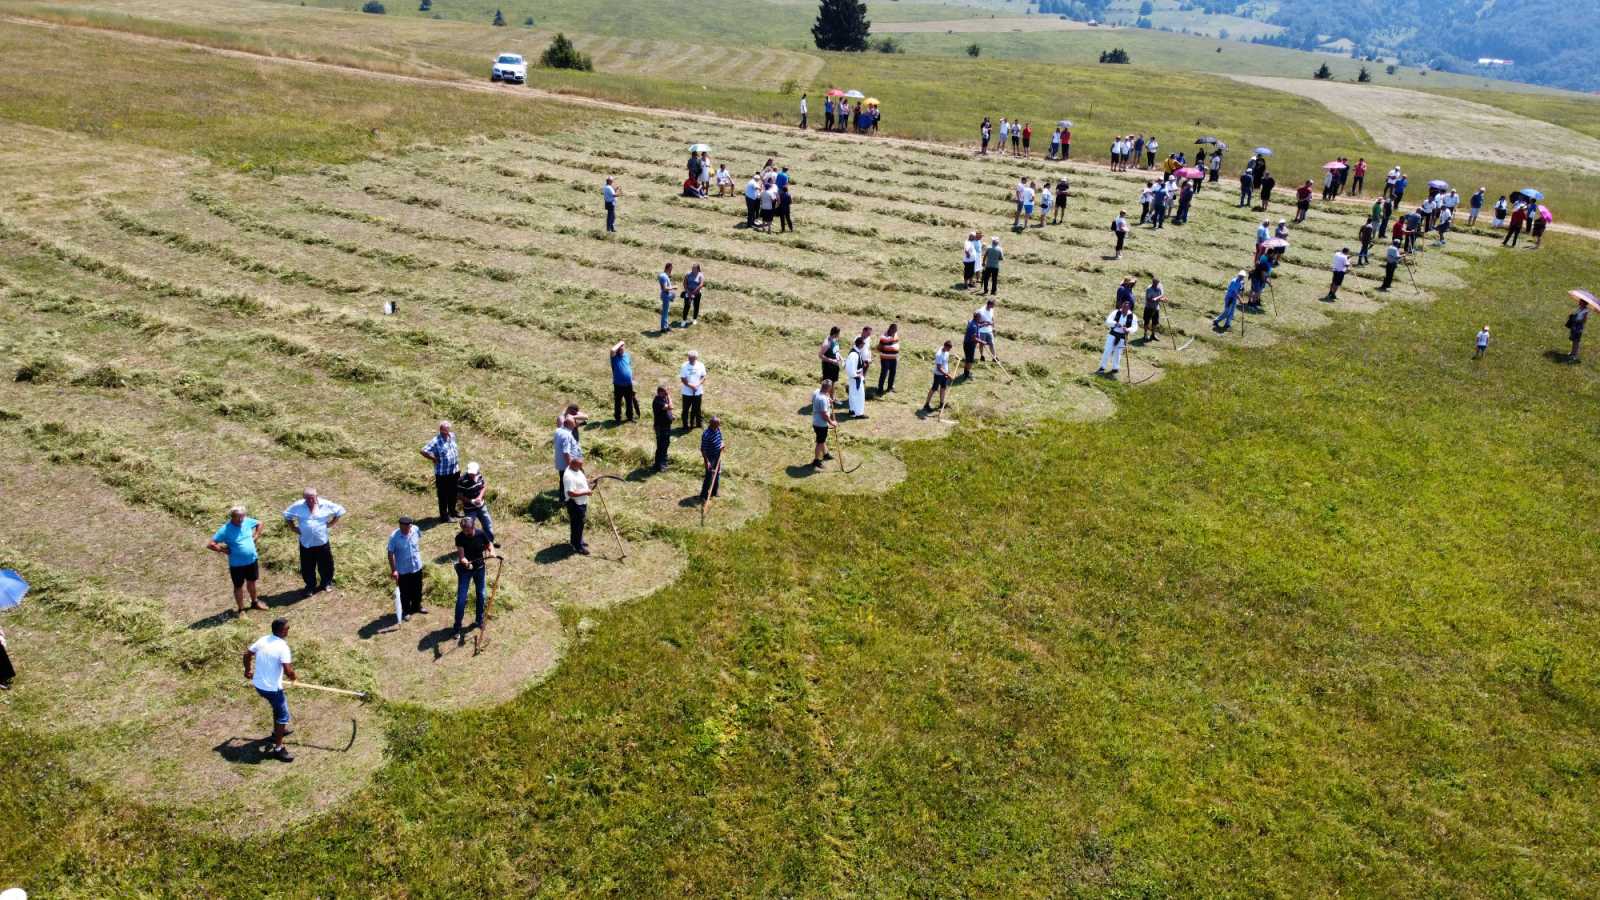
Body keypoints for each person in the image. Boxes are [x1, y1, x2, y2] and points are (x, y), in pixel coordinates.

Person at [245, 618, 297, 762]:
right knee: (283, 716)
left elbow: (247, 654)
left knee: (277, 709)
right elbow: (288, 670)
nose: (289, 630)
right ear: (282, 631)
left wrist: (247, 670)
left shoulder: (263, 640)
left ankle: (277, 731)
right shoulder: (283, 647)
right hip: (272, 689)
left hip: (259, 685)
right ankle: (278, 749)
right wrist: (294, 678)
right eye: (287, 628)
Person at [283, 488, 343, 598]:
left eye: (312, 498)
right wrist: (293, 528)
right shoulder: (298, 506)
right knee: (307, 566)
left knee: (326, 564)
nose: (311, 500)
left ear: (316, 496)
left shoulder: (325, 504)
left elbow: (340, 511)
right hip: (306, 543)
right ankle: (310, 586)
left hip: (322, 542)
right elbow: (287, 515)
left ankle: (326, 583)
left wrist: (331, 523)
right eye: (308, 499)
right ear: (304, 498)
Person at [208, 505, 264, 617]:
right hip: (237, 565)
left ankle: (254, 602)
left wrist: (256, 535)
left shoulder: (247, 521)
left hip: (252, 560)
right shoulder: (225, 530)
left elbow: (260, 523)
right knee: (238, 586)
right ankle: (241, 610)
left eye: (242, 516)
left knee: (252, 582)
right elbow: (210, 544)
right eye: (238, 517)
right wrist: (224, 550)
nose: (241, 519)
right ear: (232, 517)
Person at [450, 515, 494, 633]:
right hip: (465, 571)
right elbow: (461, 556)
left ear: (473, 527)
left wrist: (491, 551)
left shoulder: (481, 534)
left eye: (468, 530)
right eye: (464, 530)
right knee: (461, 599)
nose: (466, 532)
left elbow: (489, 544)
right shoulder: (460, 538)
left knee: (481, 594)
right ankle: (457, 627)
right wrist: (464, 561)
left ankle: (479, 620)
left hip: (480, 568)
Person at [385, 515, 426, 618]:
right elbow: (390, 554)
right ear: (400, 526)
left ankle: (417, 606)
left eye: (409, 527)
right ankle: (406, 611)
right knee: (405, 591)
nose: (407, 529)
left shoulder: (415, 529)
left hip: (416, 566)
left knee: (418, 588)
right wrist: (394, 570)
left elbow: (418, 539)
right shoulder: (394, 537)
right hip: (403, 569)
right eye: (405, 528)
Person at [419, 420, 459, 521]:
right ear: (440, 430)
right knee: (443, 495)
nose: (446, 432)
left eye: (447, 430)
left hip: (454, 471)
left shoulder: (452, 436)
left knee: (453, 492)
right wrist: (433, 458)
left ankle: (453, 511)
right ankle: (444, 516)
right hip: (442, 474)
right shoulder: (436, 440)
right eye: (444, 430)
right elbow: (423, 451)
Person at [455, 461, 495, 546]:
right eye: (470, 473)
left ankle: (489, 543)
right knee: (469, 527)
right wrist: (472, 501)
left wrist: (480, 497)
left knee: (488, 524)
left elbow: (483, 487)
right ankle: (471, 545)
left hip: (481, 506)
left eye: (473, 473)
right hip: (470, 509)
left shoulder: (479, 475)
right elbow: (459, 496)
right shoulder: (462, 480)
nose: (472, 475)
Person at [1097, 297, 1137, 376]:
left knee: (1118, 353)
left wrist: (1128, 330)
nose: (1124, 308)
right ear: (1122, 305)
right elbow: (1108, 321)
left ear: (1129, 307)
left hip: (1122, 336)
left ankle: (1115, 368)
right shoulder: (1116, 312)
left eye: (1127, 307)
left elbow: (1135, 327)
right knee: (1107, 350)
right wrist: (1115, 324)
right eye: (1124, 306)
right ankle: (1102, 367)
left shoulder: (1133, 316)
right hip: (1113, 334)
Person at [561, 457, 592, 555]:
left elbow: (581, 481)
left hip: (581, 503)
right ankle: (578, 546)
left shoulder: (577, 470)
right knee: (577, 525)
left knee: (579, 524)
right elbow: (571, 493)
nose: (581, 467)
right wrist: (586, 492)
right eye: (580, 465)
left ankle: (577, 541)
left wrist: (589, 483)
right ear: (573, 464)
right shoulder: (569, 476)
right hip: (575, 504)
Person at [553, 412, 582, 500]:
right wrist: (571, 467)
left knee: (563, 480)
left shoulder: (558, 430)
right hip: (567, 464)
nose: (575, 426)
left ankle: (563, 497)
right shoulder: (567, 435)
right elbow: (566, 452)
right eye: (573, 424)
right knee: (568, 482)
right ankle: (568, 499)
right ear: (568, 424)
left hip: (560, 463)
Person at [610, 341, 638, 422]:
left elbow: (629, 367)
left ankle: (630, 417)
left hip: (628, 384)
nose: (621, 350)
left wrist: (632, 379)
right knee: (618, 402)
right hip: (618, 384)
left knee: (629, 401)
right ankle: (618, 418)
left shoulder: (627, 356)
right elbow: (612, 350)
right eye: (620, 349)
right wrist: (621, 342)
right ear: (617, 350)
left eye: (622, 348)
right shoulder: (614, 358)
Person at [922, 340, 954, 413]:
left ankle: (941, 404)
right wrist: (948, 375)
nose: (949, 350)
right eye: (948, 348)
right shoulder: (939, 354)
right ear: (945, 346)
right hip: (938, 375)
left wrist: (947, 372)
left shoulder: (946, 352)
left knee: (943, 388)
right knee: (934, 388)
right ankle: (926, 405)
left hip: (944, 374)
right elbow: (939, 368)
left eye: (950, 349)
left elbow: (945, 363)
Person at [699, 416, 724, 503]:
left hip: (718, 455)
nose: (719, 426)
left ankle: (714, 491)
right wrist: (707, 462)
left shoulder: (717, 429)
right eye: (717, 424)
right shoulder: (706, 434)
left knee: (717, 473)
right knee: (709, 476)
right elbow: (703, 450)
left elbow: (721, 439)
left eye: (719, 424)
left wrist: (722, 444)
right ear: (712, 424)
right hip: (710, 457)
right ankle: (704, 494)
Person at [679, 350, 706, 429]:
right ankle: (685, 425)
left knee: (697, 408)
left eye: (692, 358)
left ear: (696, 358)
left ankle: (697, 424)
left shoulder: (701, 365)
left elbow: (703, 376)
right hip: (687, 393)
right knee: (685, 409)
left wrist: (697, 385)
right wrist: (691, 386)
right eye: (689, 358)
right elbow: (683, 379)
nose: (690, 359)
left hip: (698, 391)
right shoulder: (684, 366)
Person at [650, 385, 673, 473]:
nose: (667, 393)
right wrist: (669, 397)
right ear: (660, 392)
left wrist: (671, 416)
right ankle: (660, 465)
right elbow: (670, 407)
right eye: (665, 392)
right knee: (661, 446)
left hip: (666, 426)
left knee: (665, 445)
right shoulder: (657, 401)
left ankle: (661, 463)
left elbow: (667, 410)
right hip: (661, 427)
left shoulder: (663, 399)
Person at [845, 336, 868, 419]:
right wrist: (855, 375)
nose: (864, 345)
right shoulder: (854, 354)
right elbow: (850, 367)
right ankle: (858, 413)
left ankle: (852, 411)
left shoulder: (856, 352)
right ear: (860, 344)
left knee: (853, 394)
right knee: (858, 395)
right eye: (863, 344)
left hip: (855, 377)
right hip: (856, 378)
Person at [876, 323, 900, 395]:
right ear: (890, 329)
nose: (895, 331)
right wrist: (886, 349)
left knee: (893, 373)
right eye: (894, 330)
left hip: (894, 358)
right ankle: (880, 389)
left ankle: (890, 387)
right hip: (885, 358)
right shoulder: (883, 337)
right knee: (884, 373)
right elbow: (879, 347)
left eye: (896, 330)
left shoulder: (896, 335)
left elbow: (896, 343)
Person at [1142, 278, 1165, 342]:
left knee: (1155, 322)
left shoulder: (1159, 287)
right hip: (1149, 307)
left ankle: (1153, 335)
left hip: (1156, 308)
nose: (1156, 284)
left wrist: (1162, 299)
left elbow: (1161, 295)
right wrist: (1158, 299)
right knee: (1146, 321)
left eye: (1157, 283)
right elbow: (1149, 299)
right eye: (1155, 283)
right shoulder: (1149, 289)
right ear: (1152, 282)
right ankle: (1145, 334)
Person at [962, 311, 983, 378]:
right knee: (970, 360)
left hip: (968, 344)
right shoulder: (973, 326)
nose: (981, 318)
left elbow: (978, 326)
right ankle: (967, 374)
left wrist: (984, 324)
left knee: (968, 359)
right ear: (977, 318)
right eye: (980, 317)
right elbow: (974, 338)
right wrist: (982, 342)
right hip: (969, 345)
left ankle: (966, 372)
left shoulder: (973, 322)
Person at [657, 262, 675, 333]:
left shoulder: (664, 275)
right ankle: (663, 328)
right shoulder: (664, 276)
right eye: (671, 269)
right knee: (665, 312)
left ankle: (666, 326)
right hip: (665, 296)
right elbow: (665, 288)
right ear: (668, 268)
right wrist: (673, 287)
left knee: (666, 312)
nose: (671, 270)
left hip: (666, 295)